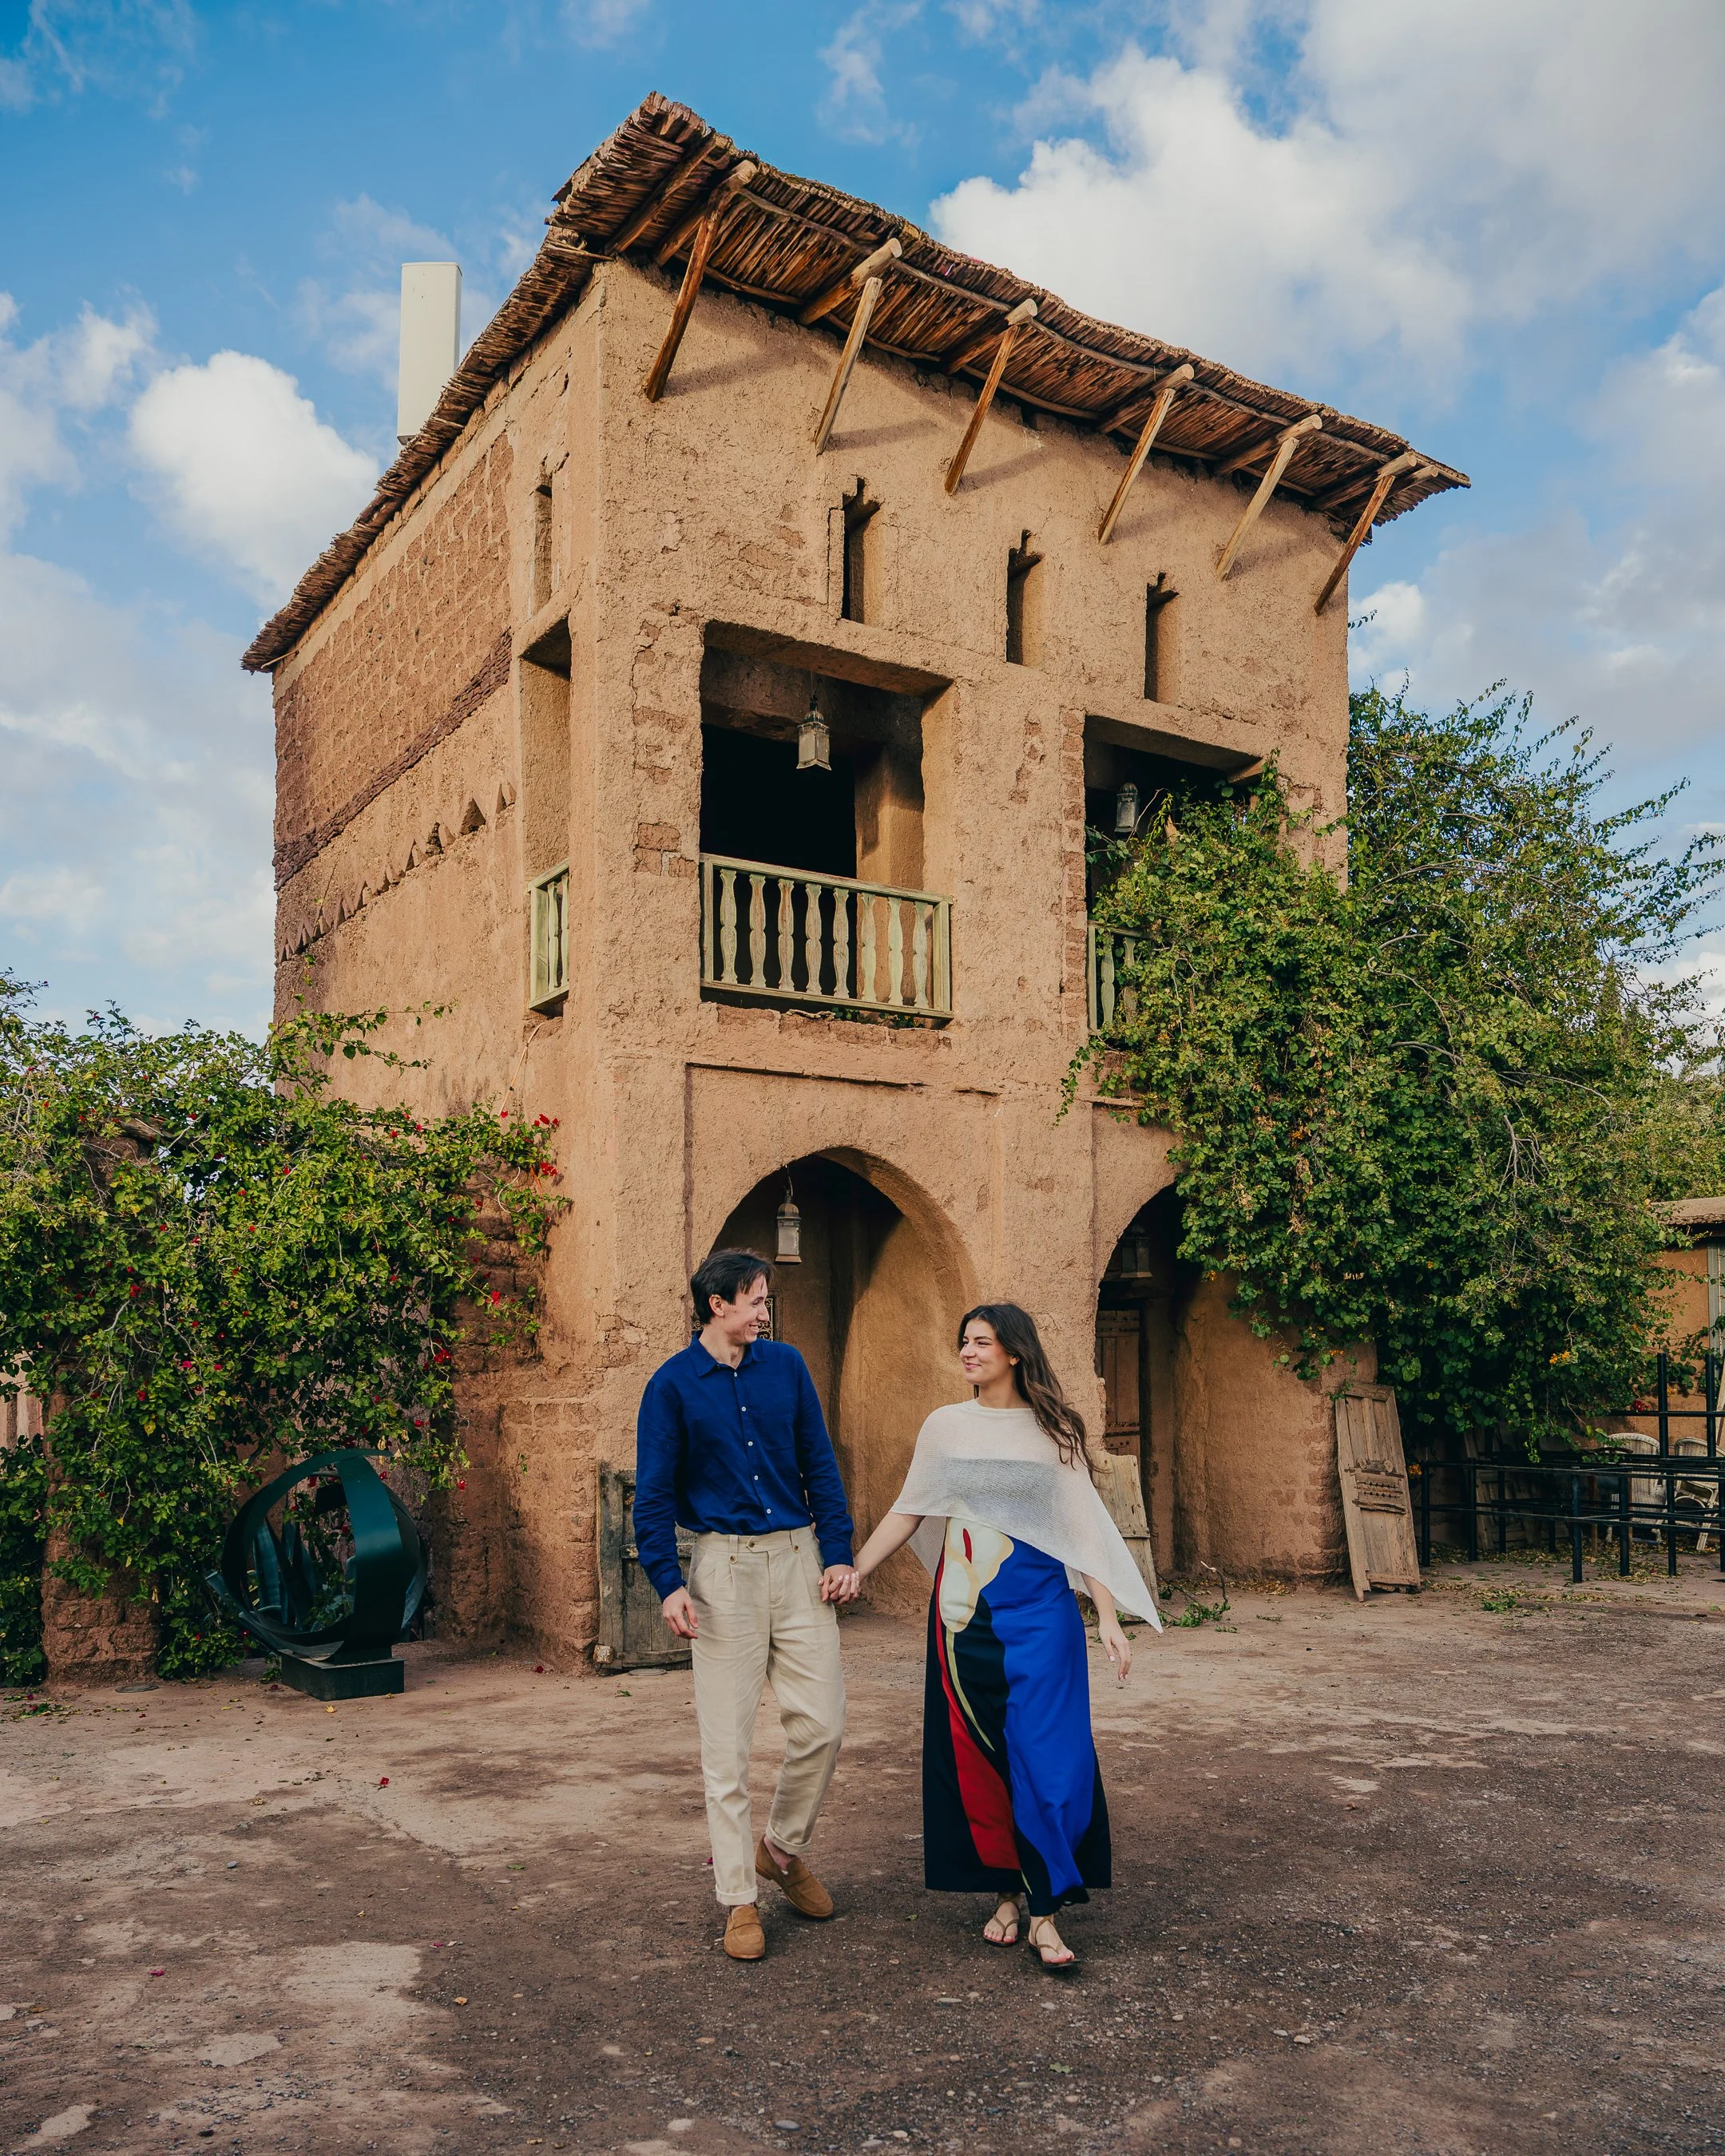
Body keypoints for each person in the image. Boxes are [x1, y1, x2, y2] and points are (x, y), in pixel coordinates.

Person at [848, 1302, 1160, 1969]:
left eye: (981, 1342)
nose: (967, 1351)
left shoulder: (1055, 1431)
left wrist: (1106, 1617)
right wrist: (854, 1571)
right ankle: (1008, 1895)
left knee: (1049, 1757)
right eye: (963, 1341)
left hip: (1042, 1613)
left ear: (1014, 1352)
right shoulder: (945, 1427)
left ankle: (1047, 1911)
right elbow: (911, 1510)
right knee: (979, 1755)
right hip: (963, 1618)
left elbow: (1083, 1531)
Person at [633, 1246, 860, 1962]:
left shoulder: (787, 1368)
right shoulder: (670, 1387)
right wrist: (668, 1582)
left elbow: (819, 1462)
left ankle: (781, 1851)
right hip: (721, 1571)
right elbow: (654, 1496)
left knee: (822, 1725)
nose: (765, 1312)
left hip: (798, 1562)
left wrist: (841, 1550)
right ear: (717, 1305)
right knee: (726, 1751)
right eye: (756, 1300)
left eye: (766, 1300)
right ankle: (739, 1900)